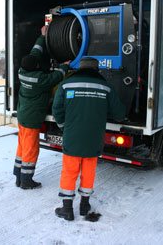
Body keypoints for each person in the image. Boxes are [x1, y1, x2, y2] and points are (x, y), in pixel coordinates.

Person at [52, 57, 125, 221]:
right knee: (88, 172)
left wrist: (64, 126)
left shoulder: (66, 84)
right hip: (94, 139)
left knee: (69, 172)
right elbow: (120, 113)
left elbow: (56, 109)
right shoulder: (105, 87)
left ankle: (67, 209)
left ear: (80, 68)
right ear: (96, 70)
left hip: (72, 137)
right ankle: (84, 206)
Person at [13, 26, 70, 190]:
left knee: (22, 147)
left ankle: (18, 175)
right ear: (35, 67)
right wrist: (65, 66)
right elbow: (56, 76)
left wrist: (42, 37)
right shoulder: (39, 80)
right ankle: (26, 180)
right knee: (31, 150)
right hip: (31, 120)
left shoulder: (22, 70)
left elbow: (35, 53)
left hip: (23, 117)